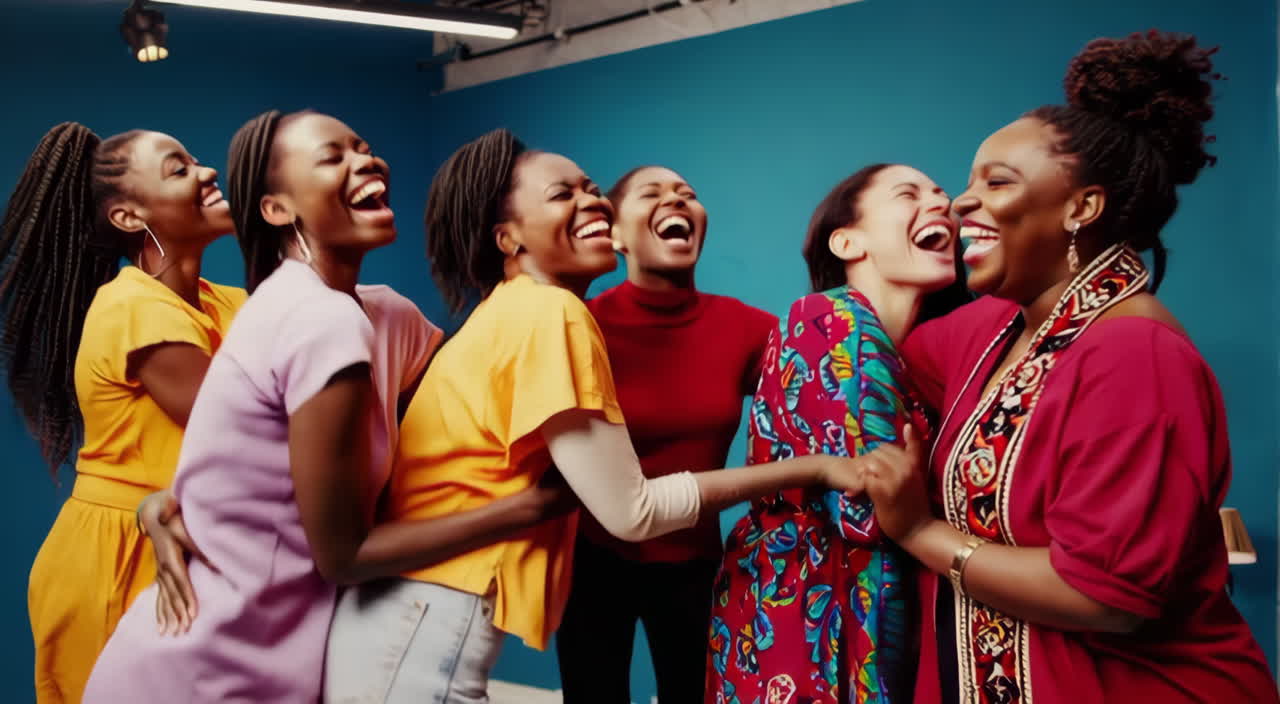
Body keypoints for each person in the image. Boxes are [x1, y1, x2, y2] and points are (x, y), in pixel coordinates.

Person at [323, 130, 869, 703]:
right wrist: (817, 468)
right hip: (426, 623)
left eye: (590, 190)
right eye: (563, 194)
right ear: (508, 238)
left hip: (411, 617)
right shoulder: (556, 312)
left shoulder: (517, 308)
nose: (591, 202)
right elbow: (633, 512)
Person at [82, 111, 571, 703]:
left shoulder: (385, 317)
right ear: (277, 209)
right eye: (332, 156)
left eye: (363, 147)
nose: (365, 160)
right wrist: (536, 506)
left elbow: (461, 398)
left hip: (270, 657)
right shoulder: (319, 321)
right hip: (203, 667)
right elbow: (344, 557)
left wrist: (165, 503)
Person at [858, 31, 1279, 703]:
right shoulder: (1000, 330)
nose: (961, 203)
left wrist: (917, 531)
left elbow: (1106, 597)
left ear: (1081, 207)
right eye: (966, 183)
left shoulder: (1134, 354)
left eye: (996, 182)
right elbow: (873, 353)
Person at [0, 122, 244, 703]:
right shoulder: (132, 306)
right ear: (130, 218)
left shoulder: (223, 301)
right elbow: (250, 432)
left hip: (180, 544)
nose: (208, 172)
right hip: (116, 560)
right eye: (179, 168)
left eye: (196, 158)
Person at [707, 164, 962, 704]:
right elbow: (867, 510)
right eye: (909, 193)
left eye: (942, 193)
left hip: (850, 605)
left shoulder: (915, 354)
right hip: (809, 613)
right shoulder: (827, 319)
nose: (942, 202)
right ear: (847, 241)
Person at [555, 166, 777, 704]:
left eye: (688, 195)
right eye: (652, 194)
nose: (677, 200)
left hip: (695, 564)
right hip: (591, 559)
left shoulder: (749, 328)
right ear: (614, 235)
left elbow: (813, 397)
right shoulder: (580, 325)